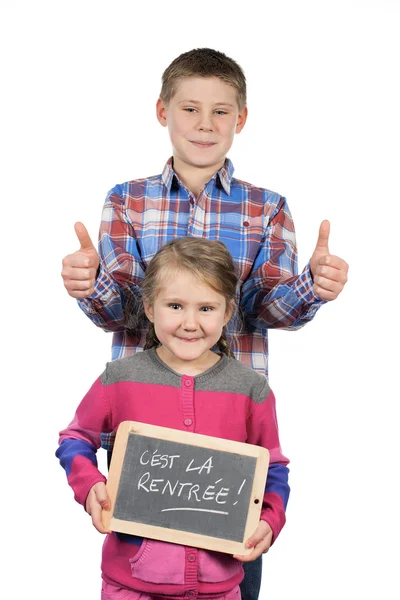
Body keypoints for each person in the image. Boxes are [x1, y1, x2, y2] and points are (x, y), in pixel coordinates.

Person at [60, 48, 348, 600]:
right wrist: (89, 283)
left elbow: (266, 305)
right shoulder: (127, 201)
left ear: (240, 120)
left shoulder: (267, 207)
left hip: (229, 429)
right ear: (162, 110)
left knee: (230, 569)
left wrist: (313, 285)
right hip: (147, 428)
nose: (204, 124)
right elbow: (120, 307)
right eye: (190, 108)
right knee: (140, 569)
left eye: (221, 111)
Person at [56, 237, 290, 600]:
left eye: (207, 308)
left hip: (220, 584)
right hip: (130, 584)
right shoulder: (119, 378)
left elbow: (271, 466)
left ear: (228, 312)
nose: (190, 323)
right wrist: (89, 487)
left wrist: (270, 520)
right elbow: (75, 438)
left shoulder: (251, 390)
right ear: (150, 307)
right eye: (175, 305)